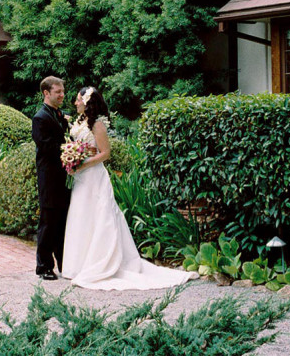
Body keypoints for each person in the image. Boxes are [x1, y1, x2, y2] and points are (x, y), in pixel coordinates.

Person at [61, 86, 197, 290]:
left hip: (94, 177)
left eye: (78, 99)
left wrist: (84, 164)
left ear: (87, 102)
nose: (75, 103)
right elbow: (77, 145)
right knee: (81, 216)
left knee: (99, 217)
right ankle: (78, 264)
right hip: (81, 179)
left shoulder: (97, 125)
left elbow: (105, 153)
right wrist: (72, 159)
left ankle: (102, 262)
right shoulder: (79, 122)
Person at [32, 76, 70, 280]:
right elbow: (46, 147)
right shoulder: (40, 118)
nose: (62, 95)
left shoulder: (62, 115)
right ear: (46, 93)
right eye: (58, 92)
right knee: (48, 222)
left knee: (63, 220)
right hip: (49, 177)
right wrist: (71, 151)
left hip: (64, 176)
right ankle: (44, 266)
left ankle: (65, 262)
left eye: (63, 91)